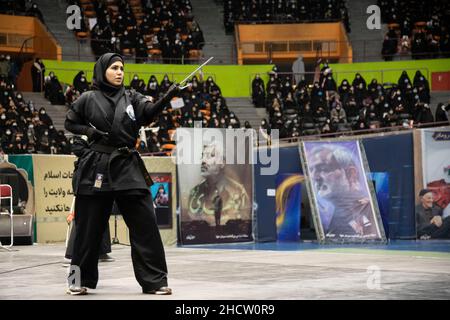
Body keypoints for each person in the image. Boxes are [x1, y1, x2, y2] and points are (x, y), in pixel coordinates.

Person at [64, 53, 178, 295]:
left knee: (146, 224)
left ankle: (156, 281)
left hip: (127, 164)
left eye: (122, 68)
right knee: (87, 229)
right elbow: (70, 123)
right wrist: (89, 133)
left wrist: (167, 97)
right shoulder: (87, 98)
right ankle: (76, 281)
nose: (119, 72)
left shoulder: (132, 97)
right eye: (114, 67)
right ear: (102, 70)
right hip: (97, 165)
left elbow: (148, 113)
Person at [308, 145, 380, 238]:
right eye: (311, 170)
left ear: (351, 173)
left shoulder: (367, 210)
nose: (314, 177)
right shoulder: (332, 215)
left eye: (323, 169)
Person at [187, 142, 251, 227]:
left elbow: (246, 224)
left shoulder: (239, 192)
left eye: (210, 156)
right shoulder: (195, 194)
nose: (203, 161)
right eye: (202, 156)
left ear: (222, 162)